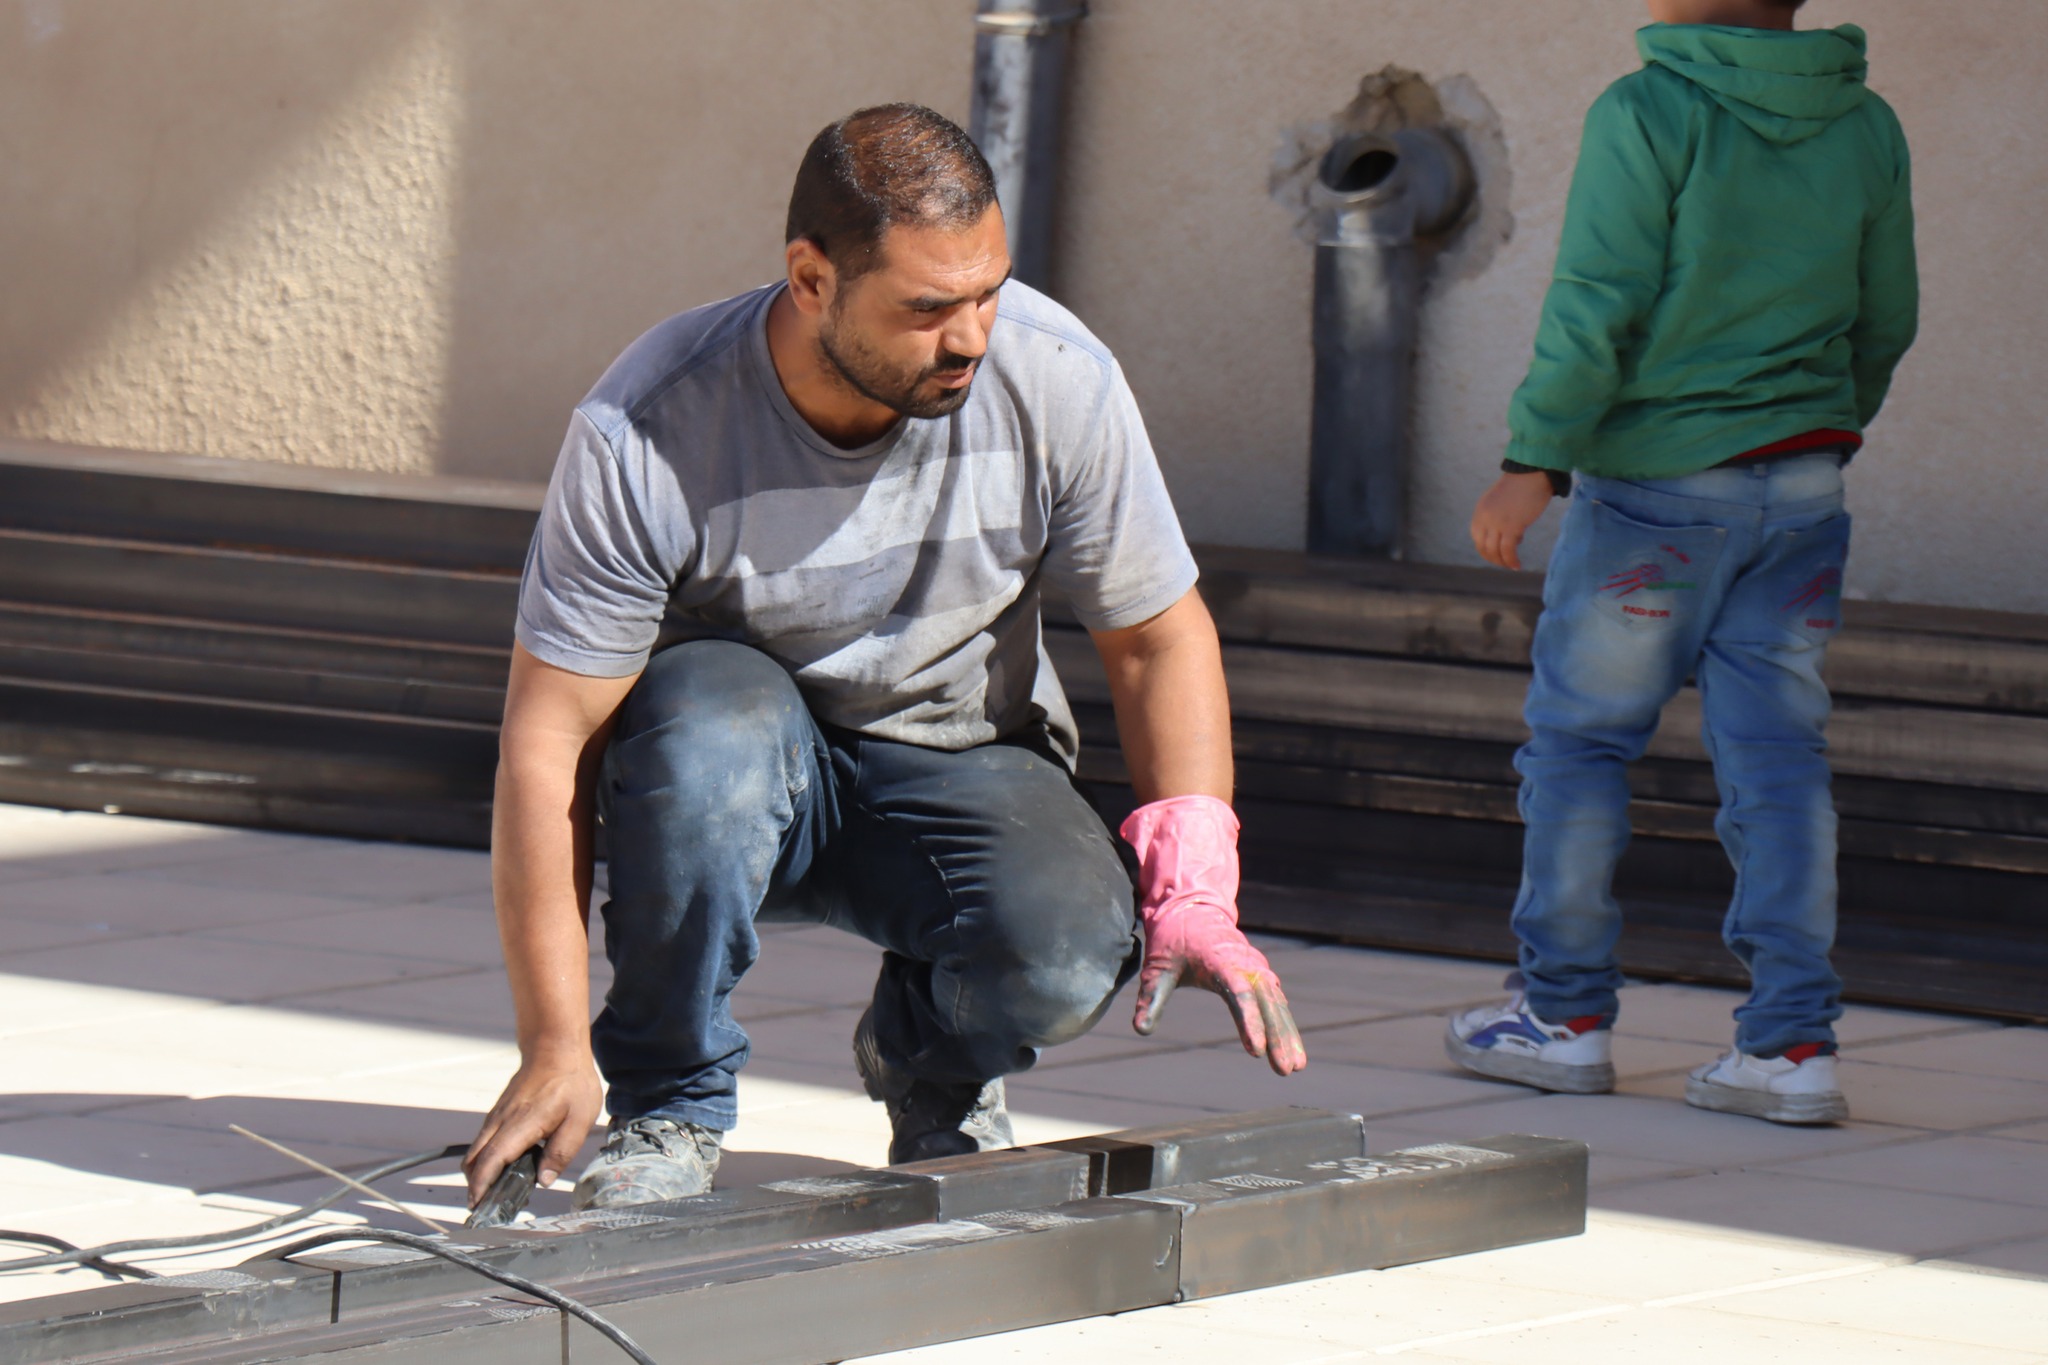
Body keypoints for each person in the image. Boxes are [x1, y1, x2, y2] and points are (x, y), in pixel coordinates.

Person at [462, 104, 1306, 1210]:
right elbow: (549, 740)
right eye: (926, 308)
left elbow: (1157, 638)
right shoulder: (652, 426)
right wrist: (553, 1042)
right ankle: (667, 1105)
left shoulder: (1055, 376)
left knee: (1065, 952)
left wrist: (1195, 886)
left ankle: (934, 1072)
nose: (971, 338)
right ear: (811, 279)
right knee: (713, 726)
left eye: (988, 291)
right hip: (721, 778)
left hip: (957, 754)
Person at [1447, 0, 1916, 1123]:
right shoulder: (1865, 121)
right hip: (1803, 488)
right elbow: (1886, 312)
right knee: (1779, 763)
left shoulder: (1646, 109)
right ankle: (1791, 1048)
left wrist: (1533, 458)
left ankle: (1561, 1020)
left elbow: (1596, 295)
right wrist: (1811, 428)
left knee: (1579, 748)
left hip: (1653, 495)